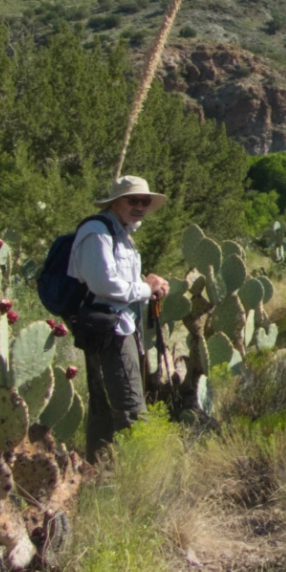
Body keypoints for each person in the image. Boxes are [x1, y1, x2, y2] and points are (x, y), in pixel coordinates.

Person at [69, 174, 171, 459]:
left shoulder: (121, 233)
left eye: (144, 201)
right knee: (130, 407)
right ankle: (140, 476)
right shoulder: (97, 231)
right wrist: (143, 288)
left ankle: (100, 475)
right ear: (115, 203)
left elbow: (120, 281)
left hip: (120, 327)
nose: (140, 206)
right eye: (133, 200)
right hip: (108, 331)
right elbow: (103, 283)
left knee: (105, 407)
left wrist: (150, 287)